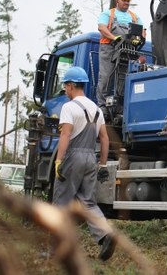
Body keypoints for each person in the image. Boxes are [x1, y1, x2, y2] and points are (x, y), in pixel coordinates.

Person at [53, 66, 116, 261]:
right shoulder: (97, 109)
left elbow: (65, 135)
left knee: (61, 203)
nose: (65, 90)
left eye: (65, 86)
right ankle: (105, 235)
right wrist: (103, 165)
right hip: (91, 158)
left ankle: (56, 249)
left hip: (73, 157)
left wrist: (58, 161)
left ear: (71, 85)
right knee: (88, 201)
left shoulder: (68, 107)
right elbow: (104, 138)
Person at [97, 0, 146, 108]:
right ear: (117, 0)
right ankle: (102, 106)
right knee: (106, 77)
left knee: (123, 79)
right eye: (124, 0)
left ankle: (120, 107)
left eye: (128, 1)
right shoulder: (108, 14)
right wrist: (114, 38)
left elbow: (143, 31)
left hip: (127, 50)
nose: (126, 3)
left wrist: (139, 39)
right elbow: (102, 28)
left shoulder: (134, 17)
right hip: (109, 48)